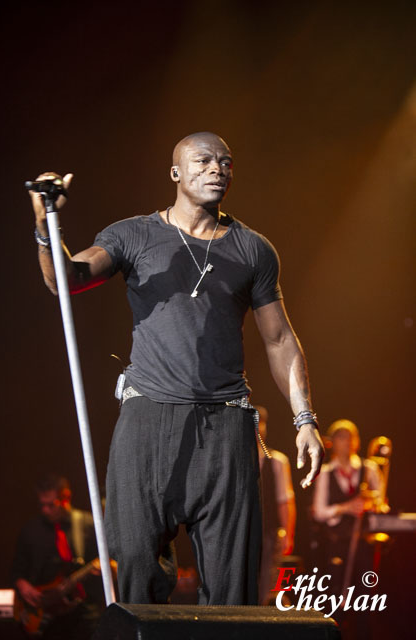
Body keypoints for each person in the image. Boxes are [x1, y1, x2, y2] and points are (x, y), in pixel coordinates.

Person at [29, 131, 324, 605]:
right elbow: (65, 280)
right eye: (203, 160)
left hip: (226, 422)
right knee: (136, 563)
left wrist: (304, 418)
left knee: (232, 581)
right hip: (149, 417)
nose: (216, 169)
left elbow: (279, 338)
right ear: (176, 173)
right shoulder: (134, 235)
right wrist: (47, 223)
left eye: (225, 162)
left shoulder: (253, 249)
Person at [12, 474, 105, 639]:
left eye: (51, 505)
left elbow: (108, 561)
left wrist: (104, 568)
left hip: (83, 612)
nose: (45, 510)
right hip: (45, 614)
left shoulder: (88, 523)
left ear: (66, 497)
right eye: (42, 505)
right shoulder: (31, 530)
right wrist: (23, 585)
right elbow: (17, 569)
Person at [311, 419, 382, 636]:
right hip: (336, 544)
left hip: (363, 542)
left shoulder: (369, 469)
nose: (348, 441)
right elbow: (319, 511)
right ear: (332, 442)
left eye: (352, 436)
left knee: (365, 595)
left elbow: (381, 502)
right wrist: (345, 508)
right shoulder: (325, 472)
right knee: (334, 594)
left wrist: (370, 504)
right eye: (342, 437)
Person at [254, 405, 296, 605]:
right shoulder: (235, 459)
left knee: (266, 583)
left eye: (260, 423)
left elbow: (285, 500)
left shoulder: (277, 461)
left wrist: (288, 534)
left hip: (269, 532)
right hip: (243, 531)